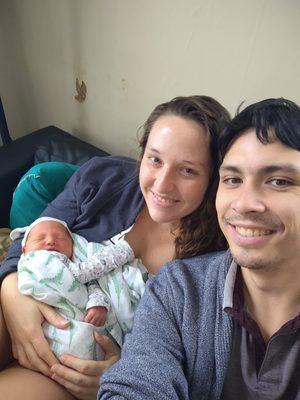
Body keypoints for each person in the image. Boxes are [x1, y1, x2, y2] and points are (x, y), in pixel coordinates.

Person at [0, 95, 231, 400]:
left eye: (187, 170)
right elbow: (33, 235)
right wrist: (11, 289)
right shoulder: (103, 177)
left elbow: (195, 368)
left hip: (71, 367)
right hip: (28, 299)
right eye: (155, 159)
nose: (162, 184)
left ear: (213, 178)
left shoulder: (217, 258)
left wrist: (120, 375)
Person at [98, 98, 300, 400]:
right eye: (233, 179)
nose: (245, 203)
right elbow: (134, 386)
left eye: (279, 181)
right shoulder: (178, 290)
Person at [14, 216, 147, 358]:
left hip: (76, 322)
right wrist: (123, 251)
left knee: (83, 338)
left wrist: (98, 304)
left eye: (59, 237)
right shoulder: (33, 262)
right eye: (40, 238)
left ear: (73, 244)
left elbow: (92, 284)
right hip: (39, 320)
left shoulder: (70, 263)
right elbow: (82, 272)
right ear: (24, 249)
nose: (50, 241)